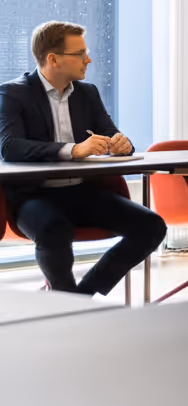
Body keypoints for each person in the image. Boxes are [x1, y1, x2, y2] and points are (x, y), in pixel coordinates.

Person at [0, 21, 166, 294]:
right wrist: (73, 149)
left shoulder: (88, 93)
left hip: (81, 190)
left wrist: (120, 144)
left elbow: (112, 134)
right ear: (53, 59)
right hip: (33, 196)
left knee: (151, 226)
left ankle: (79, 298)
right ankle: (66, 300)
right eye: (80, 54)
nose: (88, 59)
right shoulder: (13, 93)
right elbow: (9, 147)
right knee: (54, 229)